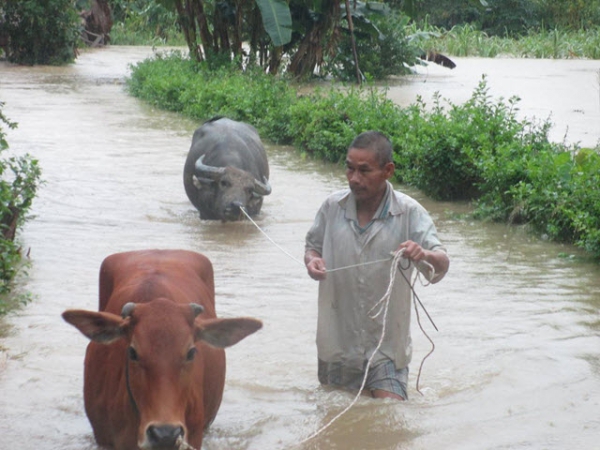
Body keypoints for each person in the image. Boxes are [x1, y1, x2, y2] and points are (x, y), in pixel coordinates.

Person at [304, 130, 449, 401]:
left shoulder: (409, 212)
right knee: (336, 425)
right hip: (337, 346)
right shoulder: (332, 207)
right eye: (349, 168)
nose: (354, 179)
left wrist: (423, 255)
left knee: (389, 416)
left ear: (388, 170)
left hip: (386, 351)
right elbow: (312, 247)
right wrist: (313, 261)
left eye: (364, 171)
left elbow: (442, 264)